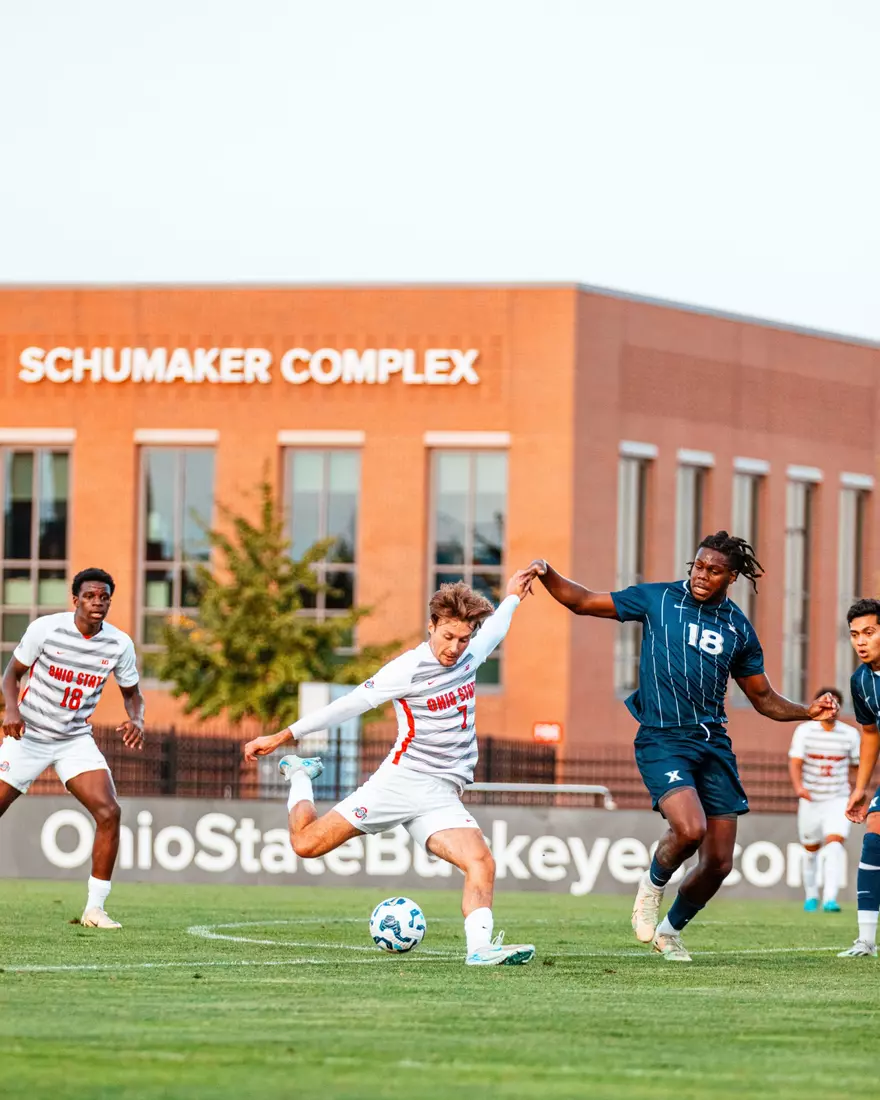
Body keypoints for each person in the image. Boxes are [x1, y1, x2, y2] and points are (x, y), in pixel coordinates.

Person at [525, 531, 839, 962]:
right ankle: (651, 886)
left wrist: (807, 711)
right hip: (662, 738)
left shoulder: (737, 628)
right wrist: (547, 572)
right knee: (690, 829)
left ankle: (670, 931)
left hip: (713, 744)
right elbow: (582, 601)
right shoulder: (657, 599)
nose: (702, 575)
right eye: (698, 566)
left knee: (719, 864)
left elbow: (764, 698)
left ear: (731, 578)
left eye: (714, 570)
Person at [244, 575, 536, 966]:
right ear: (431, 626)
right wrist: (284, 736)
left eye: (464, 639)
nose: (455, 647)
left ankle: (479, 950)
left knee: (481, 861)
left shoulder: (470, 655)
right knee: (305, 845)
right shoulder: (407, 668)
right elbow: (348, 705)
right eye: (448, 636)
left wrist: (513, 595)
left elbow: (497, 627)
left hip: (441, 795)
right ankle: (299, 774)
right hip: (401, 782)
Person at [0, 567, 144, 929]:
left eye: (104, 597)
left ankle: (95, 909)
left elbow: (133, 695)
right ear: (76, 598)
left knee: (109, 812)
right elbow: (11, 674)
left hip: (74, 739)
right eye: (90, 596)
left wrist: (137, 719)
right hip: (28, 735)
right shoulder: (46, 629)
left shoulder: (119, 644)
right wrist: (11, 710)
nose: (98, 602)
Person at [788, 687, 860, 913]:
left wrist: (858, 791)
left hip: (837, 798)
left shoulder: (850, 734)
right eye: (825, 703)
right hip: (811, 799)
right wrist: (799, 787)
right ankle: (811, 896)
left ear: (840, 707)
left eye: (834, 704)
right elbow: (795, 762)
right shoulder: (804, 731)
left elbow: (857, 766)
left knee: (834, 846)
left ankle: (830, 899)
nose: (830, 708)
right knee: (810, 850)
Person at [838, 598, 880, 958]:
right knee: (874, 840)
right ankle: (866, 941)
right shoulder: (861, 681)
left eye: (869, 632)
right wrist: (861, 787)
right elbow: (869, 733)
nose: (861, 641)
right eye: (855, 635)